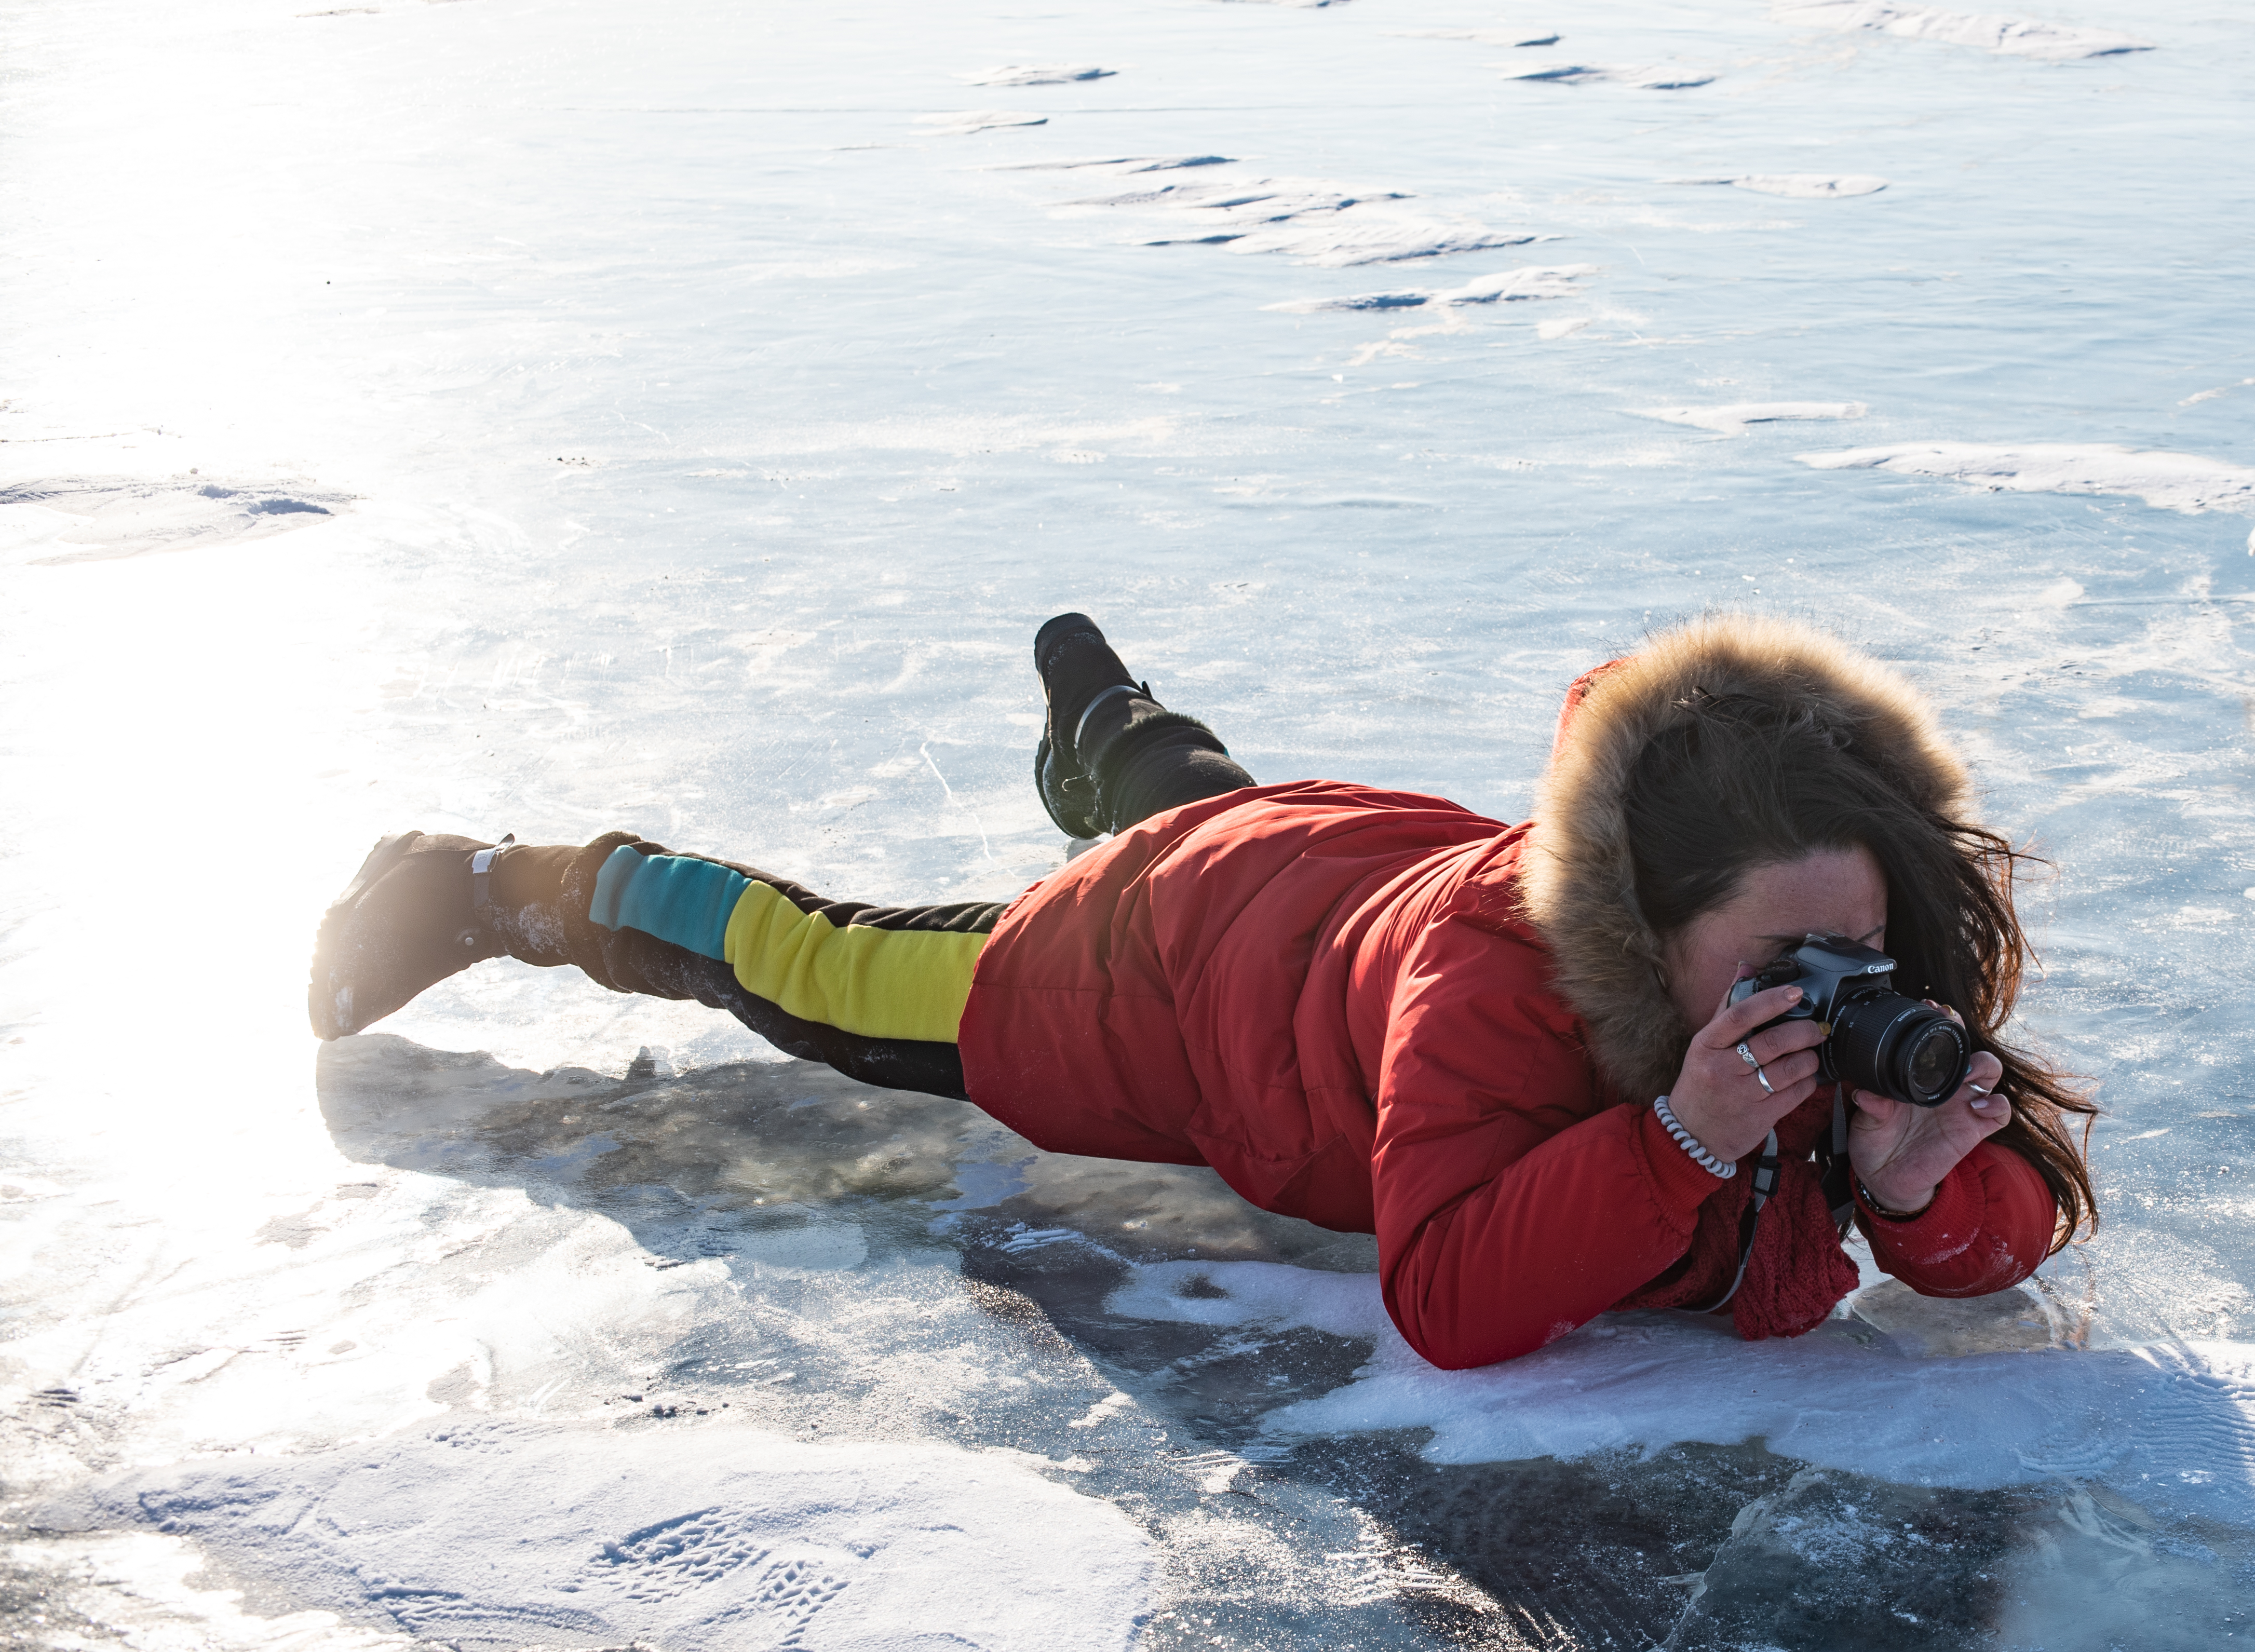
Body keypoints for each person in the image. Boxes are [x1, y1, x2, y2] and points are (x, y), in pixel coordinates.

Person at [309, 612, 2096, 1369]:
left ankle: (1117, 733)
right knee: (827, 972)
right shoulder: (1490, 991)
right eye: (1782, 963)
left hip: (1309, 879)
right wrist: (1683, 1142)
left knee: (1221, 817)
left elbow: (2004, 1233)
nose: (1840, 989)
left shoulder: (1826, 940)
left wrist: (1912, 1187)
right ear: (1637, 924)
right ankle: (506, 885)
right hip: (1155, 974)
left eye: (1858, 949)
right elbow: (1450, 1296)